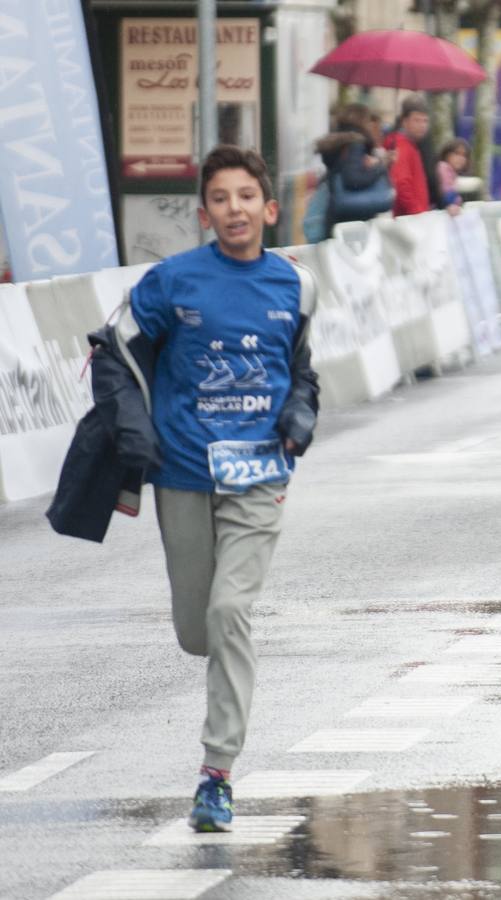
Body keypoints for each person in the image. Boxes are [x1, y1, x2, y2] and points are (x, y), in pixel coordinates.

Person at [104, 147, 320, 831]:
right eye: (221, 199)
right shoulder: (172, 282)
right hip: (185, 470)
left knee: (231, 614)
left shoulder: (296, 285)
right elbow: (113, 350)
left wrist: (300, 413)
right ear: (204, 213)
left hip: (260, 471)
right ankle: (217, 753)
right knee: (198, 630)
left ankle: (216, 774)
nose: (235, 209)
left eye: (246, 197)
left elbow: (303, 370)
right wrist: (130, 435)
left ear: (269, 208)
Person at [314, 103, 393, 237]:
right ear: (361, 121)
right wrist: (380, 167)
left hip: (337, 218)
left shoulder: (340, 143)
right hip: (353, 221)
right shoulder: (355, 144)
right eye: (368, 121)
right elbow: (353, 180)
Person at [385, 94, 432, 217]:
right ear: (405, 122)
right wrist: (417, 213)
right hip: (409, 220)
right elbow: (401, 184)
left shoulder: (411, 145)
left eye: (425, 121)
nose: (422, 125)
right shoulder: (402, 146)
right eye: (417, 120)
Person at [436, 138, 471, 208]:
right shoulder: (443, 167)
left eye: (464, 155)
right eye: (457, 153)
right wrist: (456, 201)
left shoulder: (453, 173)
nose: (460, 158)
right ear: (446, 154)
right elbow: (447, 192)